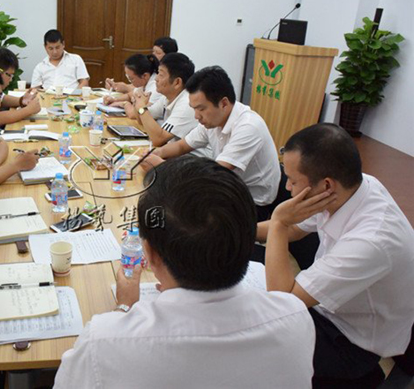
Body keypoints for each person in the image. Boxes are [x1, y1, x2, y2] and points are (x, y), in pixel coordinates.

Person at [53, 156, 315, 388]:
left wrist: (124, 309)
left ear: (149, 253)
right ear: (249, 237)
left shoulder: (104, 342)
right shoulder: (294, 316)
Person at [258, 123, 414, 388]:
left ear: (326, 185)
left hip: (352, 342)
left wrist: (279, 222)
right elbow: (296, 228)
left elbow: (283, 300)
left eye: (293, 180)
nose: (288, 187)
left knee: (259, 344)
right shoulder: (351, 189)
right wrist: (236, 231)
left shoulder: (372, 241)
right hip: (332, 307)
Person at [143, 66, 280, 220]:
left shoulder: (248, 127)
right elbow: (182, 146)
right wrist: (157, 153)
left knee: (174, 211)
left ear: (223, 103)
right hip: (225, 188)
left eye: (201, 109)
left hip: (250, 203)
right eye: (194, 109)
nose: (196, 116)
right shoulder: (213, 120)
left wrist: (162, 167)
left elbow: (215, 175)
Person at [124, 53, 208, 157]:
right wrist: (138, 104)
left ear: (177, 82)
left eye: (161, 74)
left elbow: (158, 140)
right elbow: (142, 120)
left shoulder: (186, 103)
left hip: (193, 160)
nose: (156, 78)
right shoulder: (167, 97)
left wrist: (141, 107)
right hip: (174, 154)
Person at [0, 47, 41, 127]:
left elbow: (2, 98)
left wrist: (21, 101)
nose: (11, 79)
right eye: (9, 75)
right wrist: (28, 110)